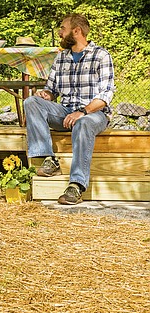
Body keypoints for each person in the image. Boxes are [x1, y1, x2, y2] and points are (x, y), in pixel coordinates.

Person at [24, 13, 114, 205]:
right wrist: (46, 95)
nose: (59, 33)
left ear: (77, 31)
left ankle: (76, 186)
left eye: (63, 29)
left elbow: (105, 96)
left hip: (93, 114)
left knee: (83, 122)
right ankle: (48, 158)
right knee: (31, 102)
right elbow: (52, 89)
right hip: (65, 112)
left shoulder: (101, 56)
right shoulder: (61, 57)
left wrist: (82, 111)